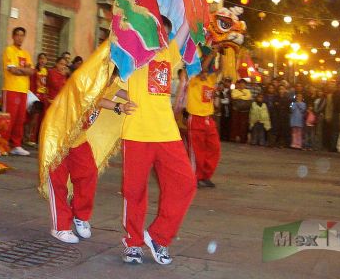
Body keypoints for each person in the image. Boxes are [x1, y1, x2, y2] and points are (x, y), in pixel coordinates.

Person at [119, 17, 196, 265]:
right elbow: (111, 84)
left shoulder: (169, 54)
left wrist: (195, 5)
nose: (162, 36)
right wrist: (124, 100)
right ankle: (132, 243)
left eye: (166, 33)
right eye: (159, 31)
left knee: (185, 183)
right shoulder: (132, 53)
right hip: (137, 133)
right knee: (135, 191)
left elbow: (186, 29)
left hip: (166, 133)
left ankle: (157, 235)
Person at [49, 84, 137, 244]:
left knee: (88, 174)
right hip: (58, 136)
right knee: (58, 182)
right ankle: (60, 227)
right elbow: (93, 99)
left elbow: (131, 94)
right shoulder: (91, 77)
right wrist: (119, 106)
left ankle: (80, 216)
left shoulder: (112, 83)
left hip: (79, 138)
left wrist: (149, 99)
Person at [185, 53, 220, 188]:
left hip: (208, 120)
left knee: (214, 148)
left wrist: (225, 52)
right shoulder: (193, 79)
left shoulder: (210, 80)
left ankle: (205, 175)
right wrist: (212, 53)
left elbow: (221, 69)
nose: (205, 72)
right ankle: (195, 177)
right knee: (196, 151)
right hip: (195, 119)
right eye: (204, 70)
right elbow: (200, 68)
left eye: (207, 70)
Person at [2, 27, 35, 156]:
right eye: (18, 35)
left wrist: (20, 69)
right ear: (13, 36)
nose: (20, 38)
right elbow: (12, 70)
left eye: (22, 35)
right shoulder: (9, 51)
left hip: (23, 90)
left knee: (20, 119)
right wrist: (24, 70)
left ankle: (16, 145)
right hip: (10, 89)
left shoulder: (26, 54)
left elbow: (32, 71)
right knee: (9, 119)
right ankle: (3, 144)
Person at [27, 53, 49, 146]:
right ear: (38, 60)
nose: (43, 61)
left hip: (44, 97)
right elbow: (31, 84)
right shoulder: (35, 71)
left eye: (44, 59)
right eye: (41, 58)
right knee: (34, 118)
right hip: (36, 96)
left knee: (42, 119)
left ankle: (38, 138)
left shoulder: (47, 71)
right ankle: (30, 138)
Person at [230, 79, 252, 143]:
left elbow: (248, 97)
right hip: (236, 109)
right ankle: (233, 137)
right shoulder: (234, 90)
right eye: (240, 83)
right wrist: (242, 95)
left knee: (243, 124)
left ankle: (243, 138)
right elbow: (233, 96)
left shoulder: (248, 91)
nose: (242, 85)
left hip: (244, 110)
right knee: (235, 123)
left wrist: (239, 96)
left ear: (245, 85)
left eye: (243, 84)